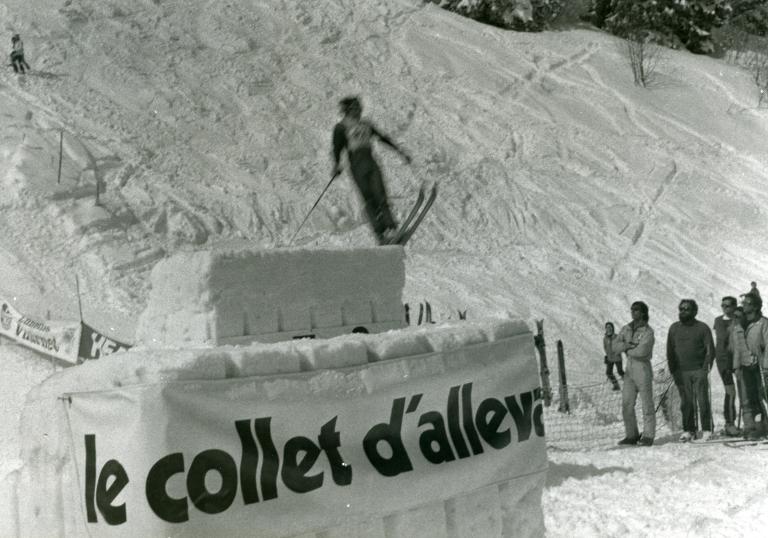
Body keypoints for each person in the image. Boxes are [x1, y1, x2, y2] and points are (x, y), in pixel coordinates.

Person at [331, 96, 412, 245]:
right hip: (356, 165)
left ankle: (391, 229)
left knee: (381, 196)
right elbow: (337, 148)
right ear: (349, 110)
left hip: (370, 162)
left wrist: (399, 151)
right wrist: (336, 165)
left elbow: (382, 138)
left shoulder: (365, 124)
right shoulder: (341, 127)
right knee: (369, 200)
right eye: (356, 107)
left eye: (359, 107)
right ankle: (380, 234)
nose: (360, 109)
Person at [667, 299, 716, 442]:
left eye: (687, 309)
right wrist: (673, 369)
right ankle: (689, 430)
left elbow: (710, 350)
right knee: (686, 402)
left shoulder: (702, 328)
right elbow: (670, 350)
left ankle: (707, 429)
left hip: (699, 370)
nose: (683, 312)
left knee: (702, 400)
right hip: (681, 372)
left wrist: (706, 367)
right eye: (681, 309)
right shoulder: (674, 328)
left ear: (695, 311)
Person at [616, 301, 656, 446]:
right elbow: (615, 346)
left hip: (642, 367)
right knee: (627, 403)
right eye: (632, 309)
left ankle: (648, 435)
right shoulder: (626, 328)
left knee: (646, 403)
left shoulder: (648, 331)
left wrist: (627, 350)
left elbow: (642, 351)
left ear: (643, 312)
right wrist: (628, 346)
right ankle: (631, 434)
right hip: (629, 368)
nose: (633, 312)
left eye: (636, 310)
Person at [731, 292, 768, 440]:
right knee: (752, 399)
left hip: (762, 367)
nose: (744, 306)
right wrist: (737, 366)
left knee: (765, 396)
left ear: (756, 306)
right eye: (744, 303)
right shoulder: (741, 324)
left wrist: (766, 366)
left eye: (747, 303)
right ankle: (760, 427)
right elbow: (738, 348)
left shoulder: (763, 323)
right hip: (747, 367)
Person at [713, 296, 740, 436]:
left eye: (728, 306)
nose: (725, 308)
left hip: (738, 359)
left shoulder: (739, 319)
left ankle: (754, 422)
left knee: (745, 391)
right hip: (723, 360)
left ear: (734, 306)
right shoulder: (718, 321)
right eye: (723, 305)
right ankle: (730, 423)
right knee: (730, 391)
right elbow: (722, 338)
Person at [603, 322, 624, 391]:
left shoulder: (617, 337)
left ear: (612, 328)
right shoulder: (605, 338)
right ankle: (616, 385)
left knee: (620, 371)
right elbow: (605, 347)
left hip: (617, 358)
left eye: (610, 327)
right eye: (607, 327)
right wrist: (607, 356)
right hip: (610, 358)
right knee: (608, 372)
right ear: (605, 329)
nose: (608, 328)